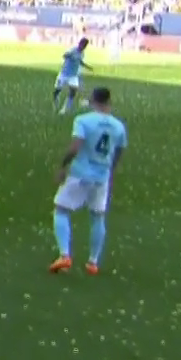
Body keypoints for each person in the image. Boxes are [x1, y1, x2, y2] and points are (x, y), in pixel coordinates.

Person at [50, 87, 127, 276]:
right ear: (109, 102)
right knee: (97, 216)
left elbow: (75, 147)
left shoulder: (83, 120)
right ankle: (93, 262)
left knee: (61, 209)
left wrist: (63, 166)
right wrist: (111, 172)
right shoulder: (118, 126)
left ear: (93, 100)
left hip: (80, 174)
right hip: (102, 177)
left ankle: (64, 255)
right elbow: (118, 152)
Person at [53, 38, 93, 114]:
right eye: (82, 44)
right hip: (64, 74)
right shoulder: (73, 50)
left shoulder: (82, 53)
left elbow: (79, 61)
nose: (82, 47)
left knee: (73, 91)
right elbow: (65, 55)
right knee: (57, 90)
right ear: (79, 43)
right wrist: (68, 55)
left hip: (73, 76)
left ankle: (65, 109)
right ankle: (55, 102)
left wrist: (87, 67)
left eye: (84, 46)